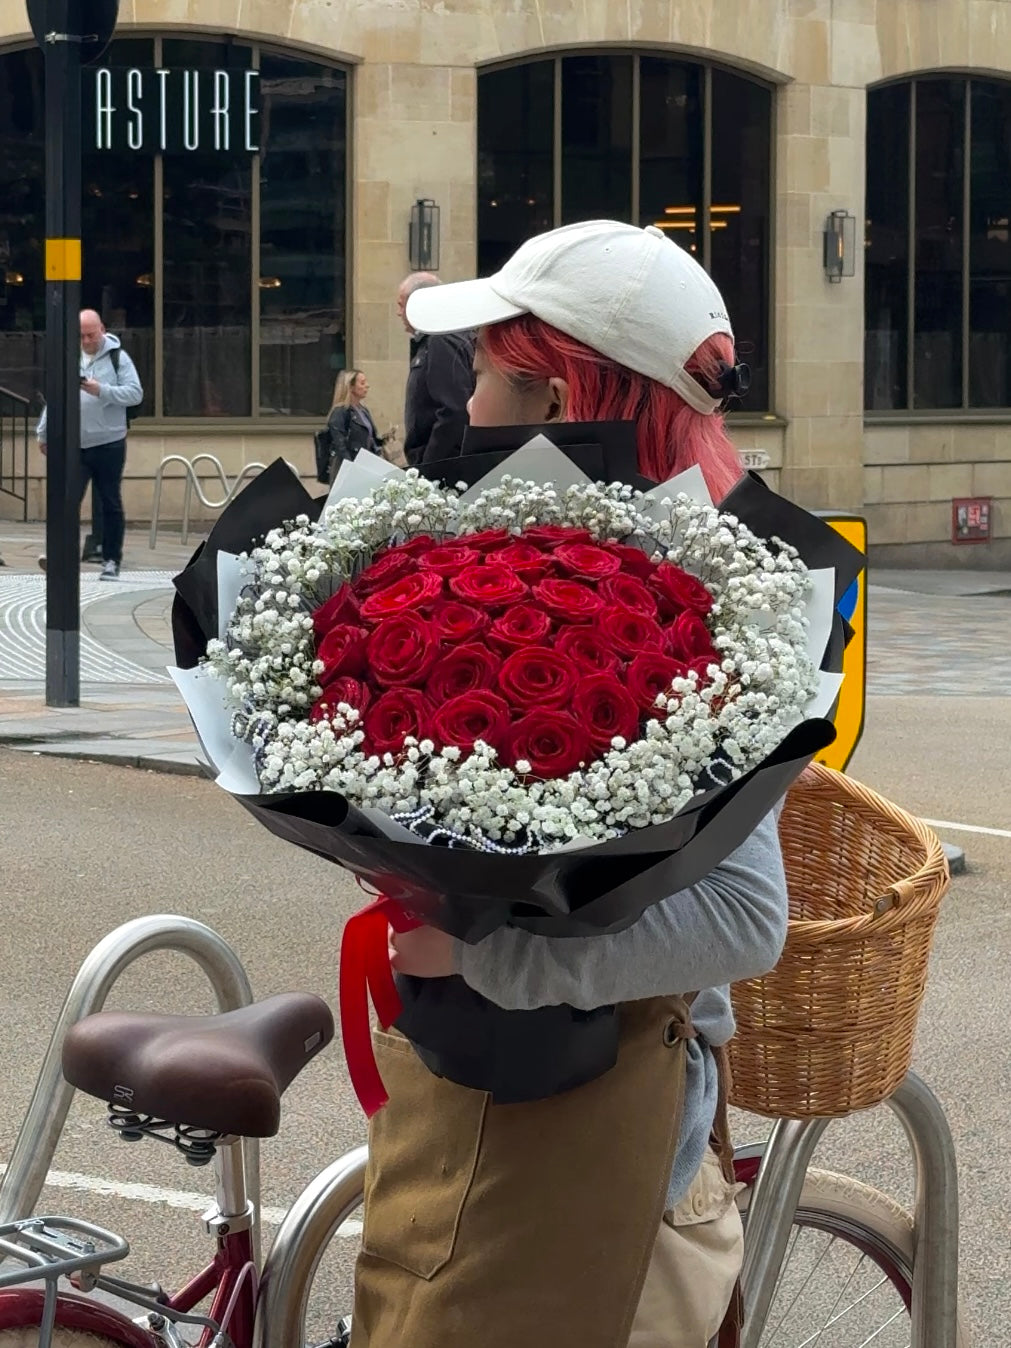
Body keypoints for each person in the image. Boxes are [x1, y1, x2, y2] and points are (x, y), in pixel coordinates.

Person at [350, 222, 783, 1348]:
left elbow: (745, 915)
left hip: (608, 1142)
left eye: (489, 375)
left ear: (561, 397)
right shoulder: (506, 555)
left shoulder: (715, 599)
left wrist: (492, 952)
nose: (465, 407)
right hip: (481, 1092)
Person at [37, 310, 142, 581]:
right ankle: (59, 556)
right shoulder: (72, 355)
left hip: (109, 443)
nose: (86, 340)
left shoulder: (119, 357)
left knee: (110, 502)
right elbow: (57, 395)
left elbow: (135, 393)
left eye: (91, 335)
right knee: (66, 500)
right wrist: (44, 431)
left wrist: (102, 390)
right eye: (81, 335)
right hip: (77, 444)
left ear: (102, 329)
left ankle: (111, 560)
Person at [397, 272, 475, 466]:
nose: (398, 312)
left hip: (441, 469)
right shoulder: (439, 339)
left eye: (401, 304)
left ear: (419, 304)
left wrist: (431, 465)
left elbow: (454, 409)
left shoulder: (442, 340)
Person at [325, 369, 389, 481]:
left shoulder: (363, 410)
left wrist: (382, 440)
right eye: (362, 383)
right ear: (350, 387)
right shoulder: (340, 412)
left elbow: (368, 437)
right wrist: (351, 467)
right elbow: (340, 445)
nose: (367, 386)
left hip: (365, 464)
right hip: (349, 466)